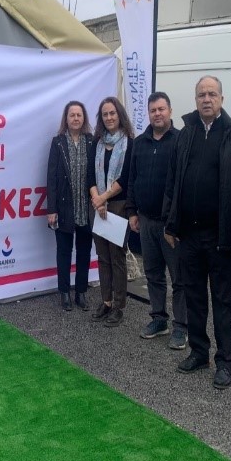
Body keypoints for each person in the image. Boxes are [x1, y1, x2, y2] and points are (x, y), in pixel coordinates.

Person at [163, 76, 231, 389]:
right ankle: (199, 352)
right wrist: (170, 223)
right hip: (189, 235)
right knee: (194, 296)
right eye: (201, 94)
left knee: (223, 301)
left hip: (221, 238)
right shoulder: (185, 135)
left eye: (212, 94)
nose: (206, 99)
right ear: (195, 99)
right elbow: (173, 181)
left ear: (222, 98)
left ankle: (225, 361)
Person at [126, 91, 187, 349]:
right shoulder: (140, 142)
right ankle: (159, 319)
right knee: (153, 274)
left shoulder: (181, 141)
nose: (157, 114)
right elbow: (132, 179)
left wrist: (176, 222)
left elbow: (184, 184)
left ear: (170, 110)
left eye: (161, 109)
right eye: (153, 110)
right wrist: (132, 211)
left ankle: (181, 326)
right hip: (146, 221)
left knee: (179, 278)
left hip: (170, 225)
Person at [88, 97, 134, 327]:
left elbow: (125, 179)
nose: (109, 118)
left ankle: (118, 306)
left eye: (112, 113)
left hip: (118, 205)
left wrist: (103, 198)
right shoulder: (96, 143)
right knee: (103, 257)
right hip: (98, 206)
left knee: (117, 257)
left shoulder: (129, 143)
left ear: (120, 115)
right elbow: (89, 175)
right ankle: (106, 301)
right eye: (105, 114)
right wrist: (97, 201)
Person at [46, 101, 95, 311]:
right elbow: (51, 178)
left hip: (86, 208)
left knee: (84, 252)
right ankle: (64, 292)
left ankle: (81, 292)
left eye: (79, 115)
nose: (76, 118)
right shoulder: (58, 143)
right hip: (64, 207)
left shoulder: (92, 141)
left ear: (84, 118)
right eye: (72, 115)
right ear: (66, 119)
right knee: (64, 252)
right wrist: (51, 209)